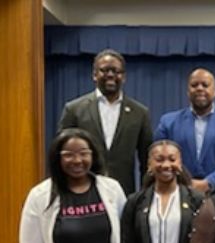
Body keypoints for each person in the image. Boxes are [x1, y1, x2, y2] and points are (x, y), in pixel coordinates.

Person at [58, 49, 152, 195]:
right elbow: (61, 153)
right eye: (104, 70)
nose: (110, 75)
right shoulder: (74, 109)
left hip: (123, 193)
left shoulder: (140, 113)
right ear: (94, 75)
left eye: (116, 71)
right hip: (81, 191)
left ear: (124, 77)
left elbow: (146, 161)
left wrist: (145, 195)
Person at [154, 68, 215, 193]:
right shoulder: (168, 122)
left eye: (205, 85)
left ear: (214, 92)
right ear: (188, 92)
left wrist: (209, 182)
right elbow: (159, 159)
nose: (199, 88)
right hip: (178, 192)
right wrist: (186, 182)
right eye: (194, 85)